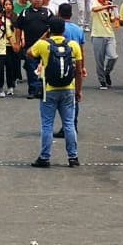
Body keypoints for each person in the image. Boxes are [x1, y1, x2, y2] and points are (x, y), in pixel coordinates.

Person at [29, 17, 83, 168]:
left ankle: (45, 157)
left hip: (49, 89)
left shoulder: (43, 45)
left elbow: (28, 53)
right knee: (69, 124)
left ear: (49, 30)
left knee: (47, 124)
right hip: (68, 88)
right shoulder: (73, 45)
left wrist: (43, 37)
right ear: (64, 30)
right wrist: (78, 91)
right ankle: (73, 157)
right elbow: (78, 71)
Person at [17, 0, 53, 97]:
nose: (37, 0)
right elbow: (18, 28)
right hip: (30, 46)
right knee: (31, 69)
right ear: (31, 0)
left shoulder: (48, 12)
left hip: (45, 46)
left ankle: (42, 90)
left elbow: (53, 28)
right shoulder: (25, 12)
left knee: (45, 68)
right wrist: (18, 42)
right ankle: (32, 90)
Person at [88, 0, 120, 89]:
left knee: (113, 56)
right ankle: (102, 81)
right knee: (99, 60)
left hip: (110, 34)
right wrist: (106, 7)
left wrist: (114, 15)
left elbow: (114, 20)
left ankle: (107, 73)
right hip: (97, 34)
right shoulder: (94, 1)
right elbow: (94, 9)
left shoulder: (109, 4)